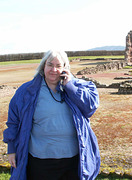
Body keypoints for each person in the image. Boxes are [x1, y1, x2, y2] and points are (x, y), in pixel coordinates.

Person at [3, 50, 100, 180]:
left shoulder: (79, 87)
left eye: (58, 66)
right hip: (40, 162)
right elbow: (13, 121)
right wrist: (12, 148)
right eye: (50, 64)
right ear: (43, 66)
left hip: (73, 161)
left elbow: (90, 108)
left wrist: (69, 87)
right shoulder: (27, 91)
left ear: (65, 68)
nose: (53, 69)